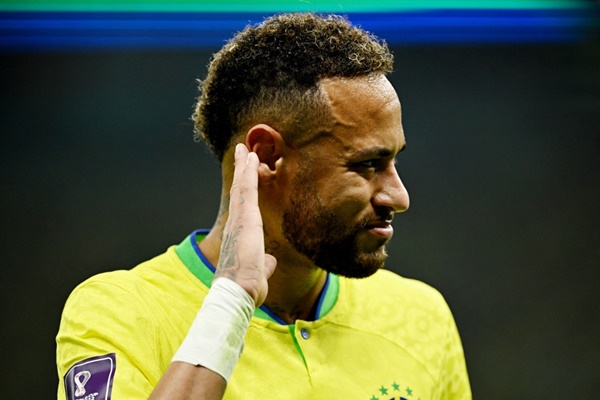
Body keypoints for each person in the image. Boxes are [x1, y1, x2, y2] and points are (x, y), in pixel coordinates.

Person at [56, 13, 471, 400]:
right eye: (367, 164)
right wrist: (233, 299)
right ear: (267, 155)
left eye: (394, 161)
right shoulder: (117, 311)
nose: (398, 197)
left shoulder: (423, 316)